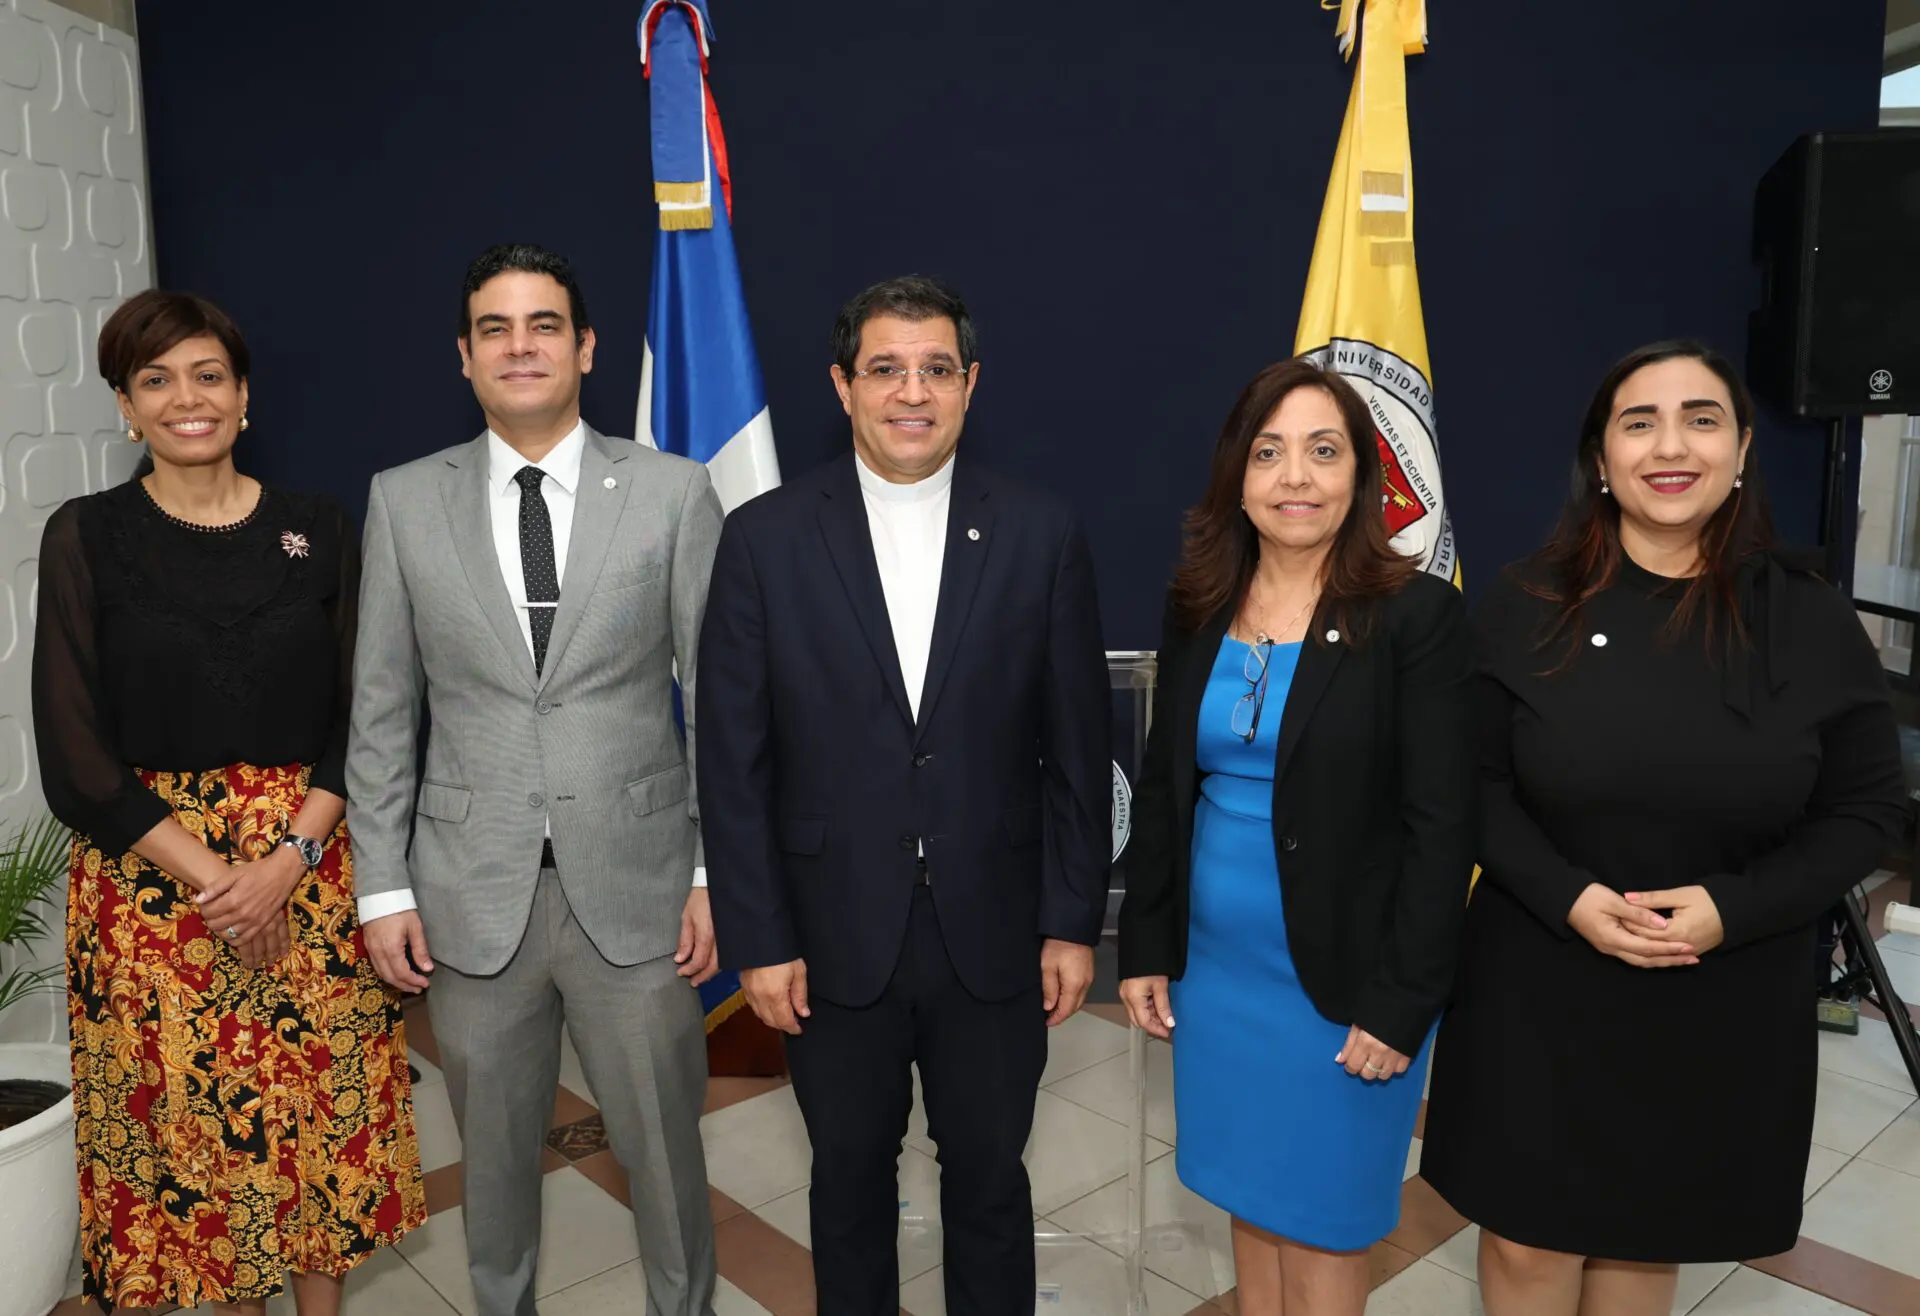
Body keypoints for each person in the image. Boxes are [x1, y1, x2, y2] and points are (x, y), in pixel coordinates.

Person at [1418, 341, 1907, 1316]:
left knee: (1650, 1240)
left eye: (1701, 417)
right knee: (1527, 1242)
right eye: (1638, 422)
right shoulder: (1520, 606)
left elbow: (1866, 809)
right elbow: (1466, 784)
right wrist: (1571, 897)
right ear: (1602, 458)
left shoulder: (1809, 619)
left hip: (1722, 989)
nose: (1669, 444)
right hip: (1540, 981)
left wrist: (1732, 908)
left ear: (1739, 450)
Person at [698, 275, 1111, 1316]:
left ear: (971, 385)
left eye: (935, 369)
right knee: (845, 1183)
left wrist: (1071, 920)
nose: (911, 391)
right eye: (886, 368)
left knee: (988, 1180)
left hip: (997, 930)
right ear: (843, 386)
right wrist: (759, 932)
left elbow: (1076, 746)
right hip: (828, 937)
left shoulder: (1041, 532)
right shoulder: (763, 538)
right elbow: (733, 761)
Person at [345, 244, 724, 1316]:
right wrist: (383, 887)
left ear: (586, 346)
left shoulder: (672, 492)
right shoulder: (404, 499)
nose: (522, 345)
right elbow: (381, 709)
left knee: (665, 1161)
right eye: (497, 329)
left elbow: (722, 700)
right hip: (470, 894)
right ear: (464, 356)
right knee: (495, 1177)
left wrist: (710, 864)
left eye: (544, 324)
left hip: (643, 887)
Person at [33, 289, 424, 1314]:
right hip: (154, 893)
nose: (185, 397)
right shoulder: (84, 535)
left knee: (316, 1120)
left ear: (244, 395)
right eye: (154, 379)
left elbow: (369, 712)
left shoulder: (319, 527)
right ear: (125, 404)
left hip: (309, 864)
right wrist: (219, 879)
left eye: (208, 374)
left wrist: (285, 859)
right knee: (196, 1139)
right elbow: (73, 756)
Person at [1115, 358, 1476, 1316]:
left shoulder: (1417, 616)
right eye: (1269, 453)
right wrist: (1149, 943)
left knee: (1324, 1229)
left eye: (1324, 452)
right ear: (1237, 474)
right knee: (1252, 1205)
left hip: (1346, 984)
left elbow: (1445, 830)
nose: (1295, 478)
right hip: (1217, 976)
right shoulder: (1198, 603)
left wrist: (1403, 1004)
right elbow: (1164, 791)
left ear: (1363, 473)